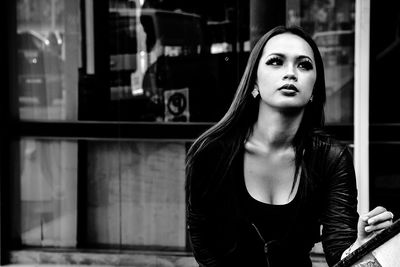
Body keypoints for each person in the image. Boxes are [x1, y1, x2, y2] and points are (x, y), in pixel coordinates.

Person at [185, 25, 394, 267]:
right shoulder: (211, 153)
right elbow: (204, 248)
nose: (291, 73)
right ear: (254, 81)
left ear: (314, 89)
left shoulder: (331, 158)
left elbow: (339, 251)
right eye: (276, 61)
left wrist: (361, 247)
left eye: (304, 65)